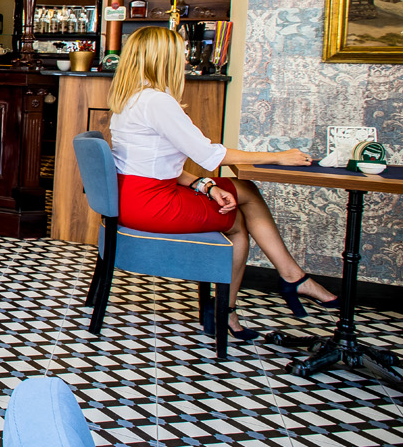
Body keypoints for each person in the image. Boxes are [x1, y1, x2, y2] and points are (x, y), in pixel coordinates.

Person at [107, 27, 336, 339]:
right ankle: (236, 305)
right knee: (237, 222)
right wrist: (278, 157)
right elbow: (210, 154)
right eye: (180, 53)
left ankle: (289, 278)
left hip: (134, 198)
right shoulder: (157, 102)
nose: (185, 59)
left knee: (246, 191)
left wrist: (206, 186)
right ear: (164, 58)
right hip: (153, 204)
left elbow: (154, 166)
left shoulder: (130, 99)